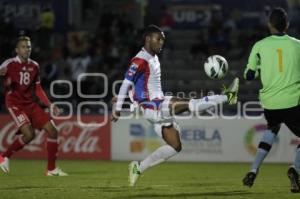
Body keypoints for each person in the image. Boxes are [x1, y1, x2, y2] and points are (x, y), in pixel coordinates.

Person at [111, 25, 239, 186]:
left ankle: (138, 168)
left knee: (175, 146)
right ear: (148, 39)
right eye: (158, 39)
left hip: (155, 106)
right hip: (154, 106)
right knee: (189, 104)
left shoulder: (152, 58)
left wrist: (126, 101)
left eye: (163, 40)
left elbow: (138, 87)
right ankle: (227, 97)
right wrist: (118, 108)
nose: (161, 43)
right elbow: (126, 83)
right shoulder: (140, 59)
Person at [242, 7, 300, 193]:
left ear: (269, 25)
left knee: (272, 129)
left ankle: (253, 169)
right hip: (293, 101)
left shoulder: (259, 46)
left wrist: (258, 69)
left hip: (270, 103)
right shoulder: (297, 45)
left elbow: (249, 75)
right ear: (287, 24)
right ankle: (295, 169)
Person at [0, 36, 68, 176]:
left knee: (53, 130)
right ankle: (4, 156)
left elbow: (38, 89)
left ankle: (51, 169)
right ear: (17, 50)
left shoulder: (34, 66)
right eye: (24, 46)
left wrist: (49, 105)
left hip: (30, 103)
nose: (27, 49)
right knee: (29, 134)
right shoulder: (9, 64)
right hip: (15, 103)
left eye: (29, 47)